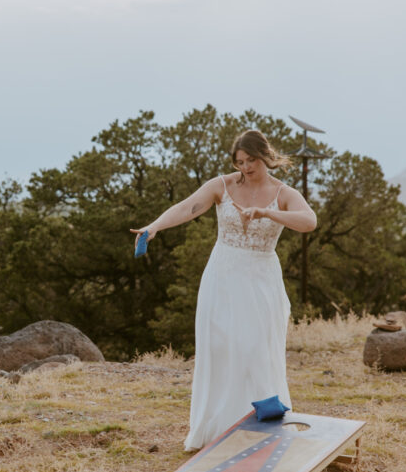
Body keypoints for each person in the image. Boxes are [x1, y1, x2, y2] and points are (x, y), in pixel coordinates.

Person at [131, 129, 317, 450]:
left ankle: (262, 423)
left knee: (254, 348)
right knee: (220, 347)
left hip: (260, 278)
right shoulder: (223, 185)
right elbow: (187, 207)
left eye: (251, 161)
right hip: (223, 274)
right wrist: (154, 226)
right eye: (240, 162)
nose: (245, 168)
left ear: (265, 156)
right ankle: (219, 426)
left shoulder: (281, 192)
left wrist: (268, 212)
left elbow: (308, 221)